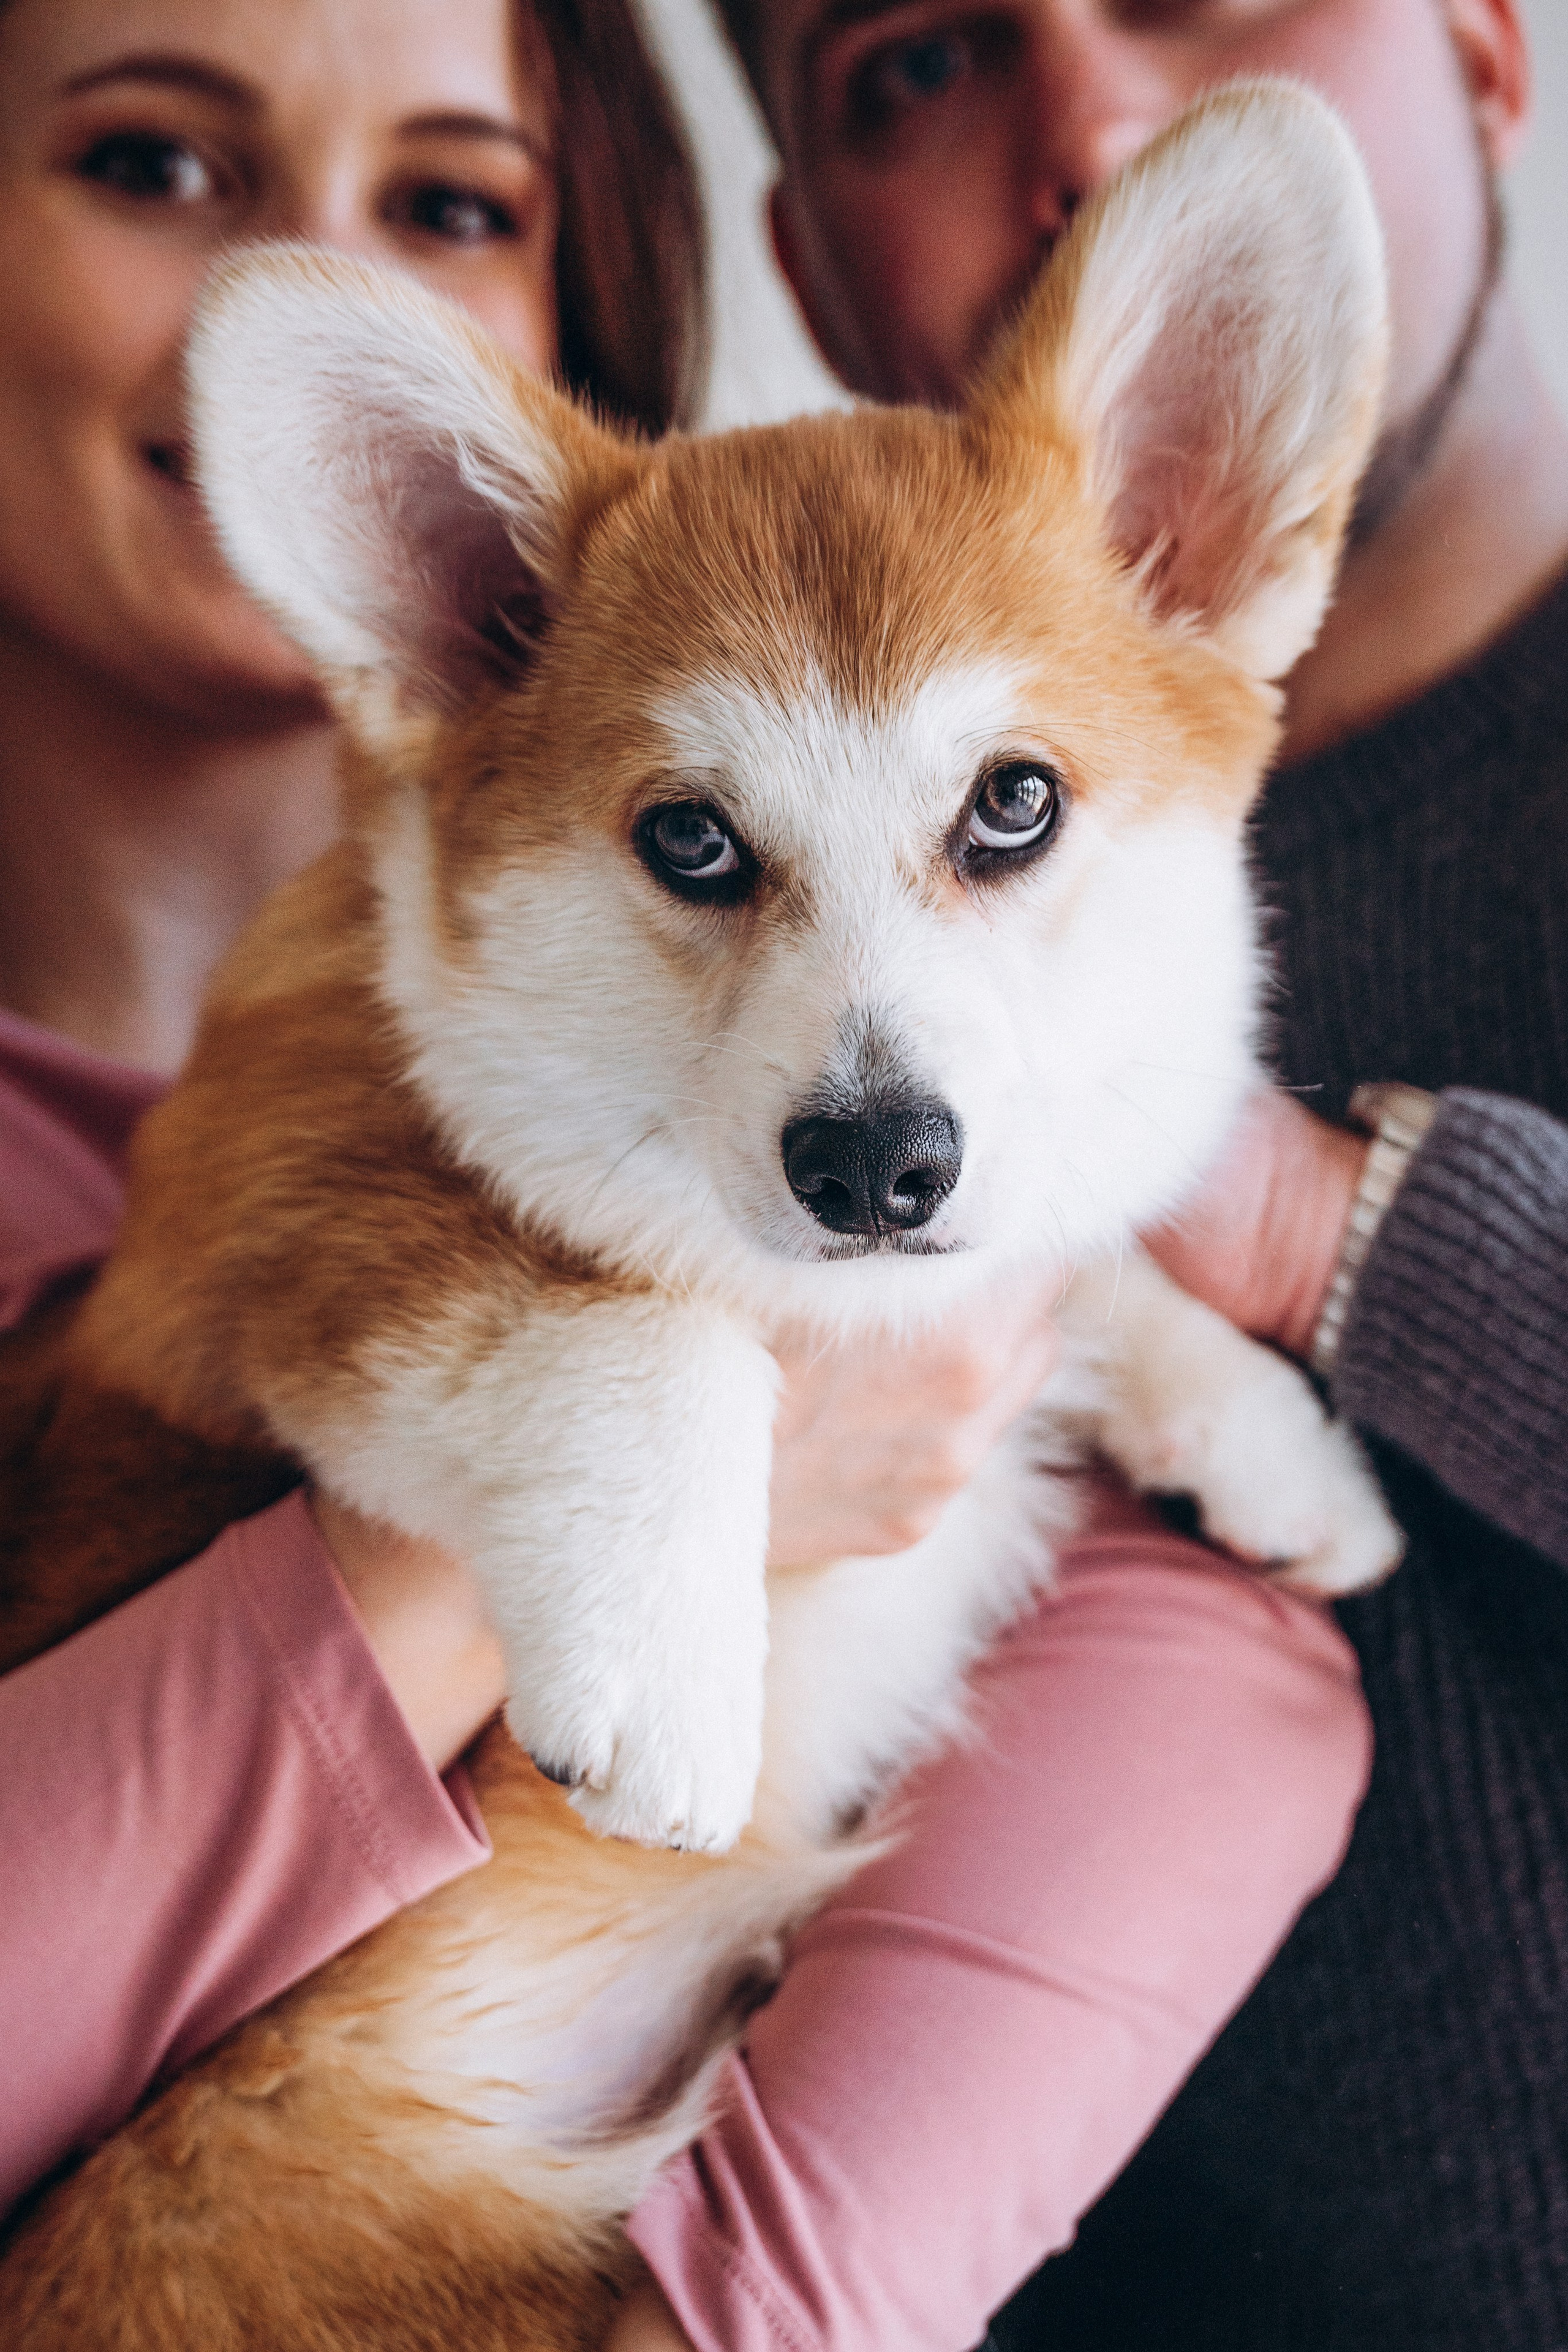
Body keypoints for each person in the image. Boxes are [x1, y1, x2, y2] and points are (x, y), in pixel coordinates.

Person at [0, 0, 1372, 2316]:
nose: (320, 255)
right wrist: (585, 1487)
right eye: (150, 159)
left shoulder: (1132, 1504)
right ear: (448, 586)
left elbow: (1217, 1728)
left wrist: (1223, 1267)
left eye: (454, 202)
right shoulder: (299, 1177)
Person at [610, 0, 1568, 2344]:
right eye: (914, 62)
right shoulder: (666, 970)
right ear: (811, 279)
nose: (1094, 127)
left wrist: (1275, 1211)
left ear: (1485, 40)